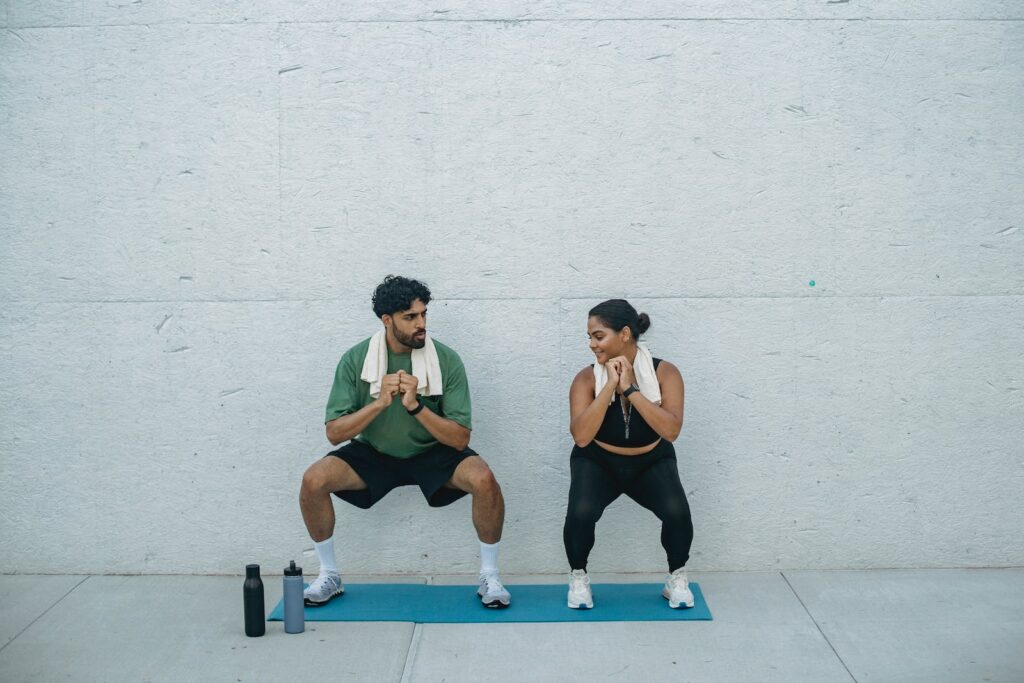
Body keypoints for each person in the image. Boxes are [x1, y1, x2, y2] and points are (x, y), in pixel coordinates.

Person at [299, 275, 511, 608]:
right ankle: (329, 574)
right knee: (314, 480)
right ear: (387, 320)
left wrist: (415, 406)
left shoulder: (446, 359)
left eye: (424, 314)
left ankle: (490, 576)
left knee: (484, 480)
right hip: (375, 452)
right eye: (410, 317)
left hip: (433, 451)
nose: (421, 324)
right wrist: (379, 403)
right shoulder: (355, 360)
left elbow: (459, 438)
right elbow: (335, 432)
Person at [563, 299, 694, 609]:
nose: (592, 345)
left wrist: (632, 389)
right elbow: (581, 437)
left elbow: (671, 431)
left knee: (677, 513)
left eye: (598, 336)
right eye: (590, 337)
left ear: (624, 333)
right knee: (581, 513)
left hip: (651, 459)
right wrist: (609, 386)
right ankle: (578, 577)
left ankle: (676, 576)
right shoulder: (585, 379)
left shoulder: (666, 373)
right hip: (597, 460)